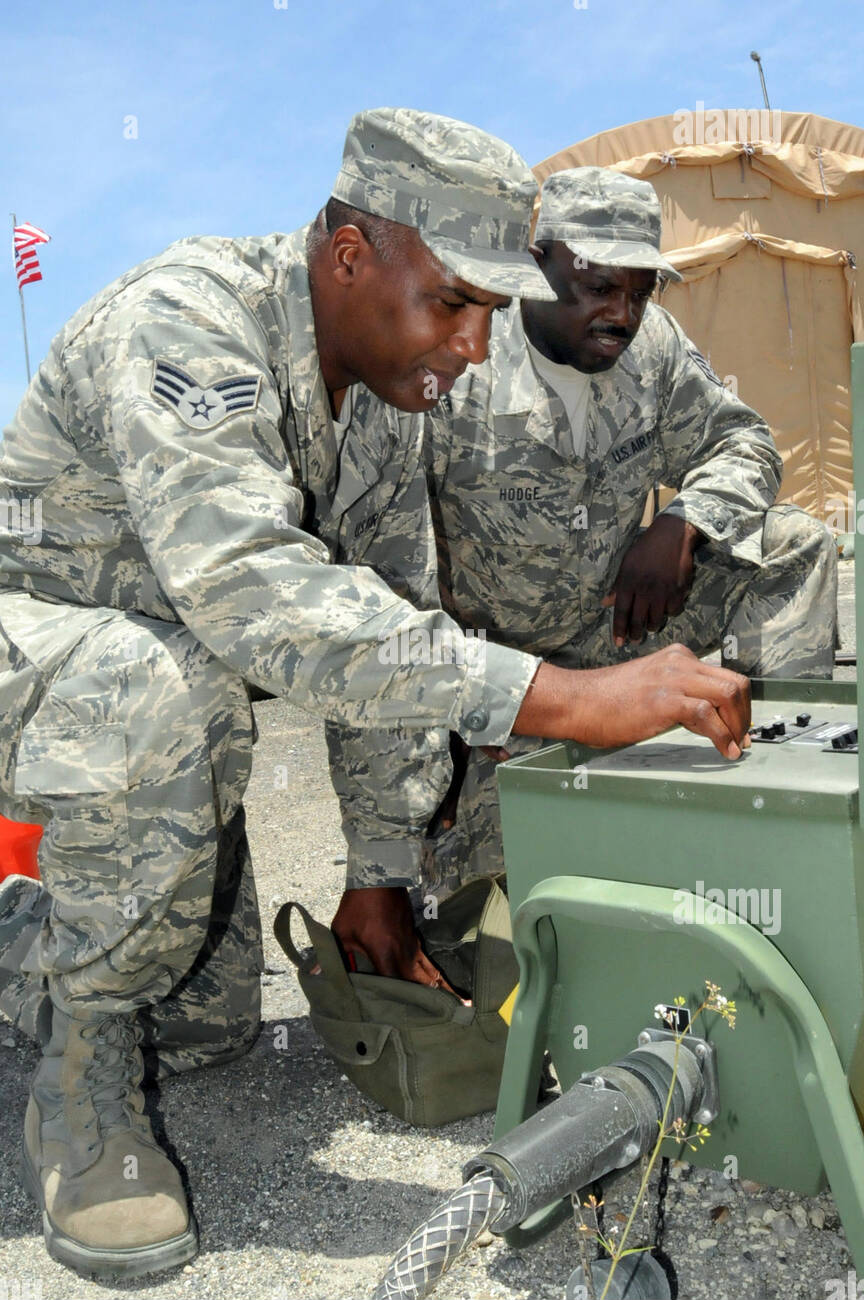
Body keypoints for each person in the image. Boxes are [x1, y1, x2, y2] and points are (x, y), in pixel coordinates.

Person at [0, 118, 750, 1280]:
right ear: (348, 256)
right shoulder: (190, 321)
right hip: (43, 658)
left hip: (142, 690)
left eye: (492, 313)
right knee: (164, 687)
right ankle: (77, 1089)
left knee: (206, 1031)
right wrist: (564, 697)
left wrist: (380, 872)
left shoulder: (390, 406)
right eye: (453, 302)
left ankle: (32, 945)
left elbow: (394, 628)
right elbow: (259, 597)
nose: (472, 341)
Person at [328, 165, 835, 951]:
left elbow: (746, 442)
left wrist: (684, 522)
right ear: (536, 264)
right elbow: (382, 601)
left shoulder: (652, 349)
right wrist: (394, 838)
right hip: (506, 695)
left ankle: (775, 792)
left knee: (793, 542)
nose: (621, 314)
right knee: (505, 933)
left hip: (621, 633)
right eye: (598, 286)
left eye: (640, 291)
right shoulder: (452, 363)